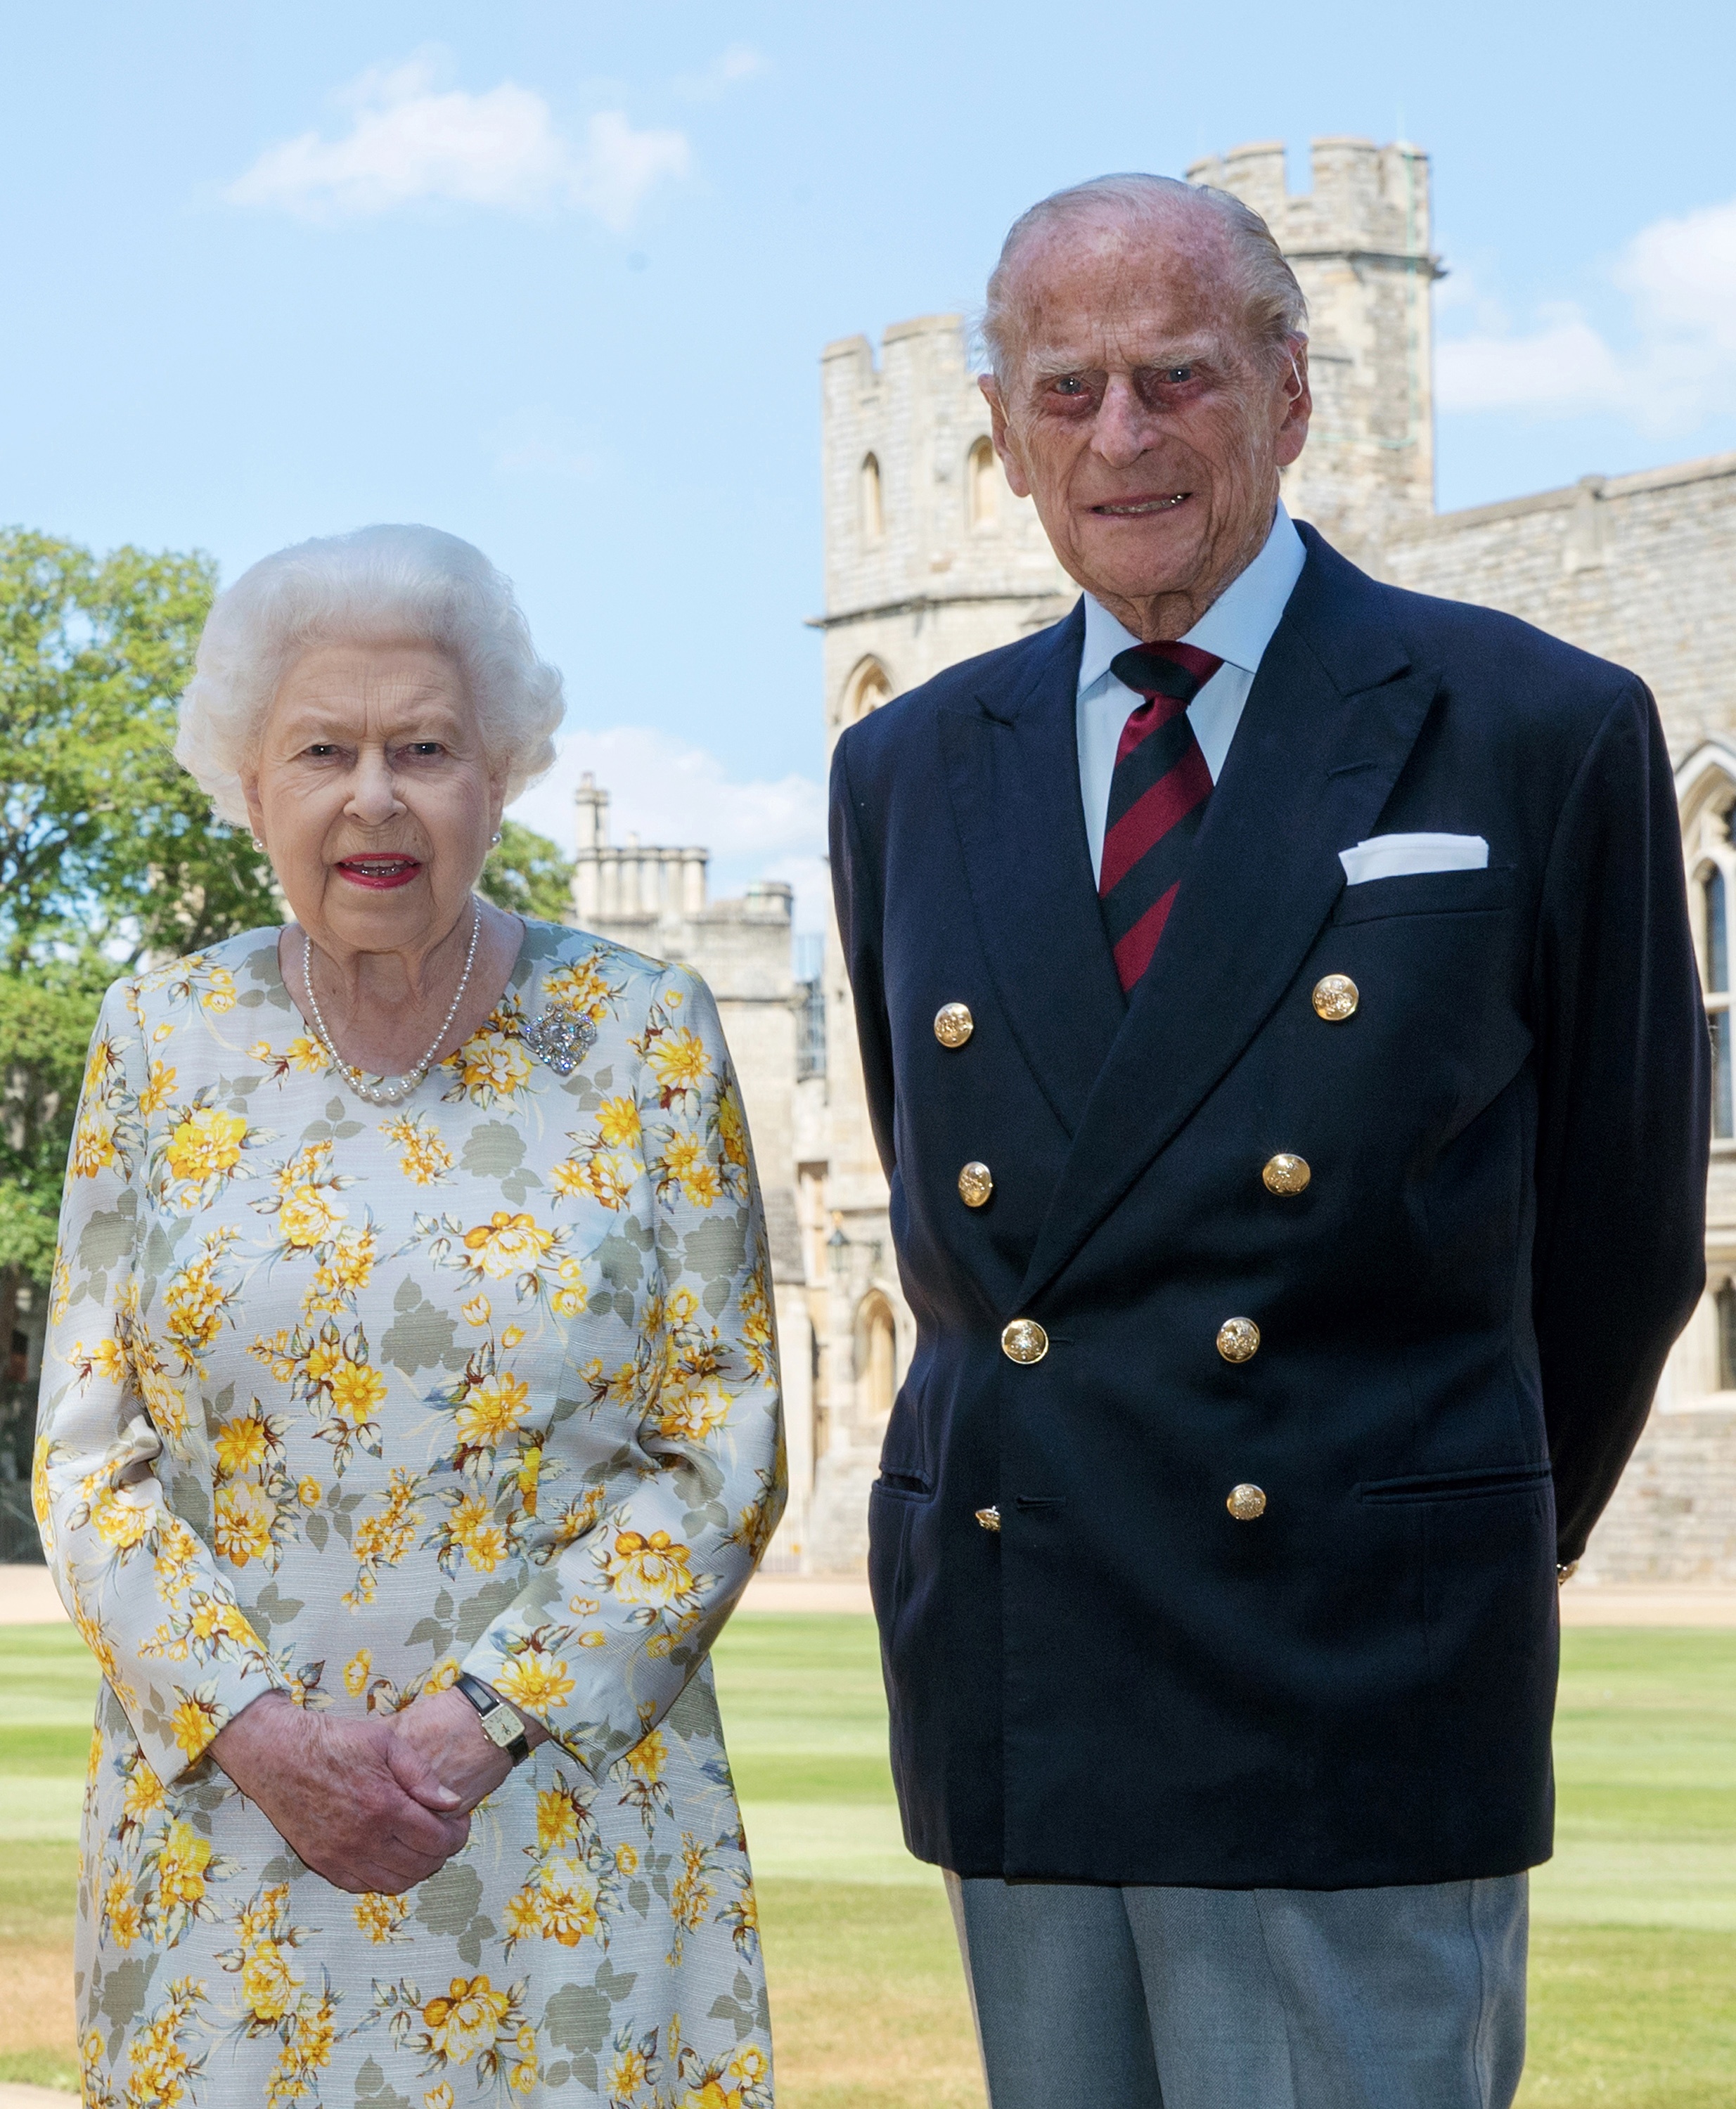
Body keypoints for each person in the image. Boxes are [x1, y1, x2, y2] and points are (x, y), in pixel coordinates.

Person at [829, 174, 1709, 2109]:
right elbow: (957, 1220)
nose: (1119, 437)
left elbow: (1627, 1235)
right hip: (1026, 1658)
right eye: (1063, 392)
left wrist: (1426, 1542)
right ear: (999, 432)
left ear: (1291, 394)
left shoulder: (1532, 727)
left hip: (1353, 1671)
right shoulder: (901, 766)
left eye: (1175, 377)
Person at [38, 524, 783, 2107]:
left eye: (424, 748)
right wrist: (260, 1738)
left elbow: (721, 1442)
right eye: (323, 751)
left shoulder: (646, 1035)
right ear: (249, 787)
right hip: (229, 1853)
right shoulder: (156, 1038)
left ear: (497, 778)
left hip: (561, 1838)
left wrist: (478, 1726)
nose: (373, 797)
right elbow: (89, 1457)